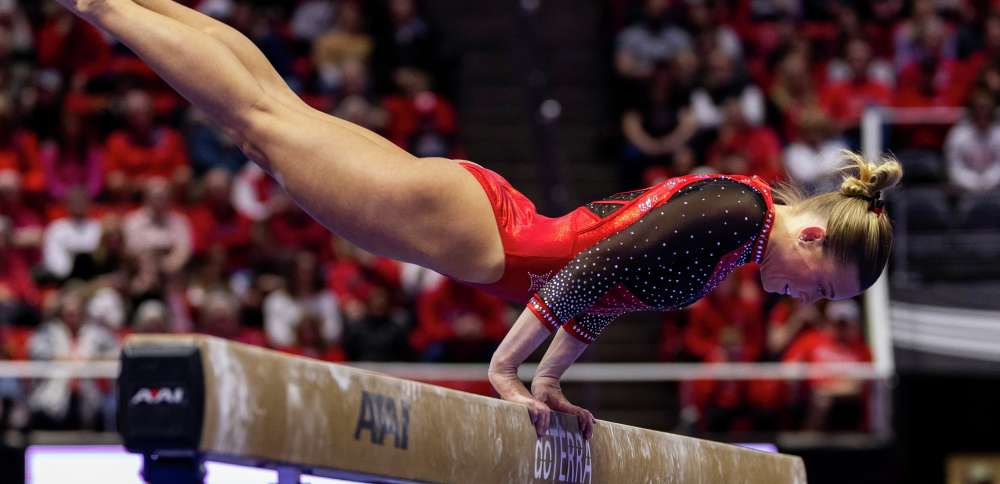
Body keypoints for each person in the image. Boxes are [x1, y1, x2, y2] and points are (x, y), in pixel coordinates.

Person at [55, 0, 902, 440]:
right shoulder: (732, 216)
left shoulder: (740, 219)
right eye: (819, 290)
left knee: (278, 115)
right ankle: (108, 10)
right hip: (484, 237)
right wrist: (504, 373)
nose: (802, 301)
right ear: (816, 237)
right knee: (264, 126)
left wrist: (547, 380)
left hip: (489, 223)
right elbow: (590, 274)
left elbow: (604, 285)